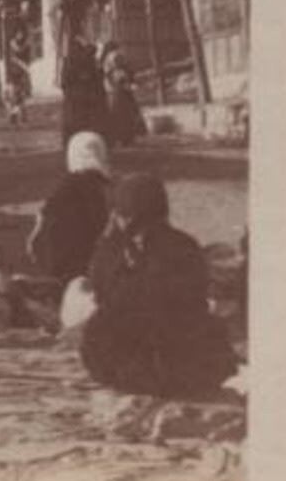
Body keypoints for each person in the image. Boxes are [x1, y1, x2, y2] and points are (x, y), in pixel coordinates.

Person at [79, 173, 239, 398]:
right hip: (174, 352)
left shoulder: (117, 248)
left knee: (101, 329)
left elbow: (105, 295)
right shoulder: (182, 244)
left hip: (143, 350)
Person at [27, 131, 113, 287]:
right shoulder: (91, 184)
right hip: (76, 262)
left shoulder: (68, 184)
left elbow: (44, 216)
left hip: (54, 256)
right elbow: (100, 223)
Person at [60, 37, 109, 144]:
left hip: (74, 97)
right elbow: (97, 78)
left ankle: (73, 142)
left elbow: (64, 82)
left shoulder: (69, 60)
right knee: (87, 122)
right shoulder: (89, 61)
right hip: (87, 97)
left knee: (74, 122)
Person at [101, 42, 147, 147]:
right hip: (118, 90)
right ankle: (124, 137)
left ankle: (122, 137)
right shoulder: (114, 59)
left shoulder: (109, 62)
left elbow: (121, 73)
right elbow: (116, 74)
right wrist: (126, 83)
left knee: (120, 113)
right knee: (123, 113)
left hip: (116, 90)